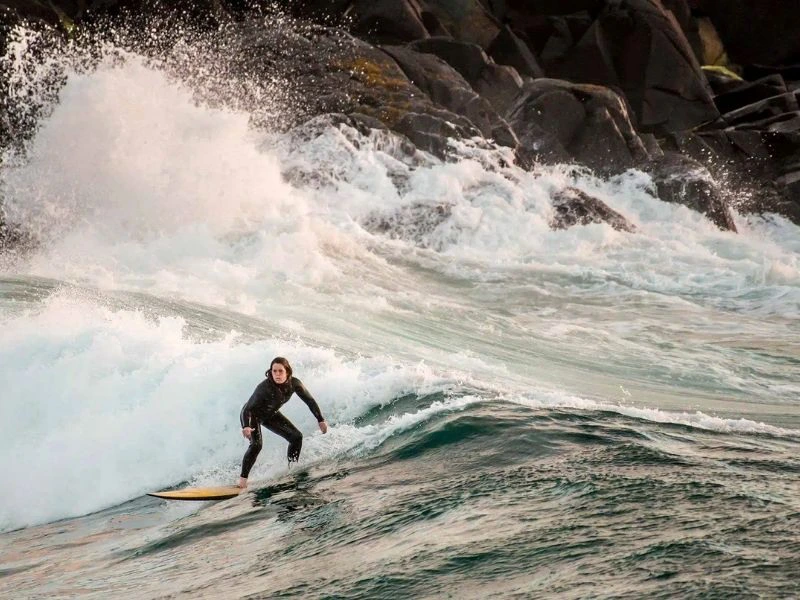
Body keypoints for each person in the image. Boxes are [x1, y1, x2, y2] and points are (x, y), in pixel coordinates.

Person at [238, 357, 328, 489]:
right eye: (274, 371)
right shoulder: (264, 387)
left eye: (280, 371)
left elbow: (310, 400)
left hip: (270, 414)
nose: (277, 374)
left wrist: (320, 419)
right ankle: (242, 480)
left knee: (296, 437)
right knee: (256, 445)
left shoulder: (294, 384)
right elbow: (247, 409)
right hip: (253, 415)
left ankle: (291, 469)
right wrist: (246, 426)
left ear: (287, 372)